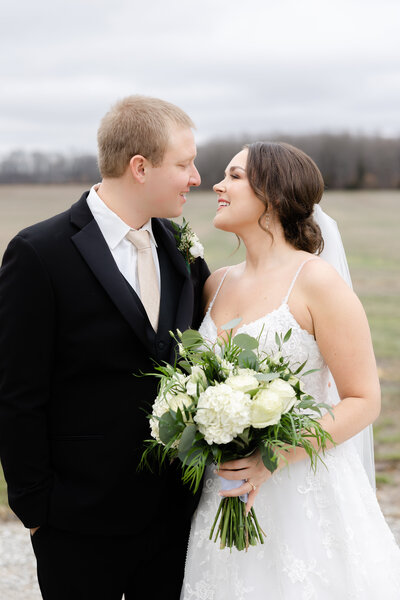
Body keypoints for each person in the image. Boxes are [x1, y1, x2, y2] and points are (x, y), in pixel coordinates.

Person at [0, 95, 210, 599]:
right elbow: (16, 393)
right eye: (184, 164)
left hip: (172, 517)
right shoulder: (39, 252)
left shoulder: (182, 252)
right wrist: (37, 510)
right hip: (77, 520)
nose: (196, 177)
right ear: (140, 167)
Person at [181, 142, 400, 599]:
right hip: (223, 489)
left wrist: (272, 456)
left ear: (274, 195)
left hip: (301, 491)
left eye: (235, 176)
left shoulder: (316, 281)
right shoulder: (214, 284)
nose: (217, 185)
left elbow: (363, 400)